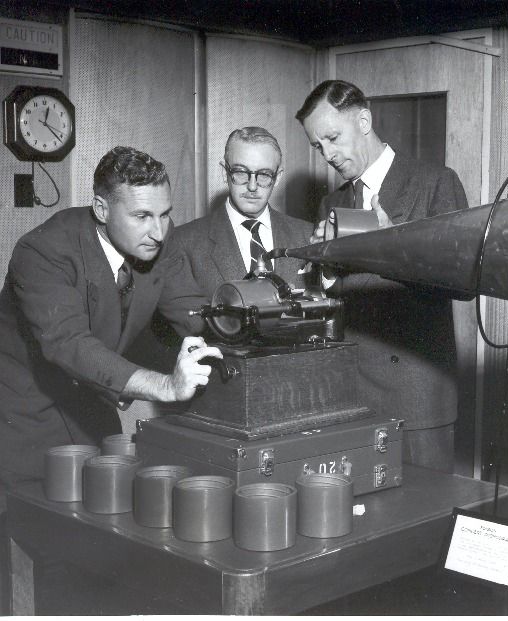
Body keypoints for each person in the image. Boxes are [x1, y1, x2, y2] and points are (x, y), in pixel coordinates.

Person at [0, 146, 221, 508]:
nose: (159, 232)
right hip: (27, 425)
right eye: (142, 216)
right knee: (38, 543)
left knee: (99, 542)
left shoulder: (157, 243)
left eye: (165, 214)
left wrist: (255, 323)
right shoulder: (43, 251)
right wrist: (166, 385)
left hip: (91, 417)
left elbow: (195, 314)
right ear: (102, 209)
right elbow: (70, 344)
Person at [295, 80, 468, 472]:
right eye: (318, 146)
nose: (328, 155)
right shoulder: (332, 202)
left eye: (333, 138)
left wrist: (391, 248)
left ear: (364, 120)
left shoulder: (435, 183)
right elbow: (334, 297)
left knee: (425, 515)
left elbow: (464, 283)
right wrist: (323, 271)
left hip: (417, 395)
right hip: (352, 393)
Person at [170, 126, 312, 295]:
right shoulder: (185, 242)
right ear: (225, 173)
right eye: (241, 172)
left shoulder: (308, 235)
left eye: (264, 175)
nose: (252, 186)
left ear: (277, 177)